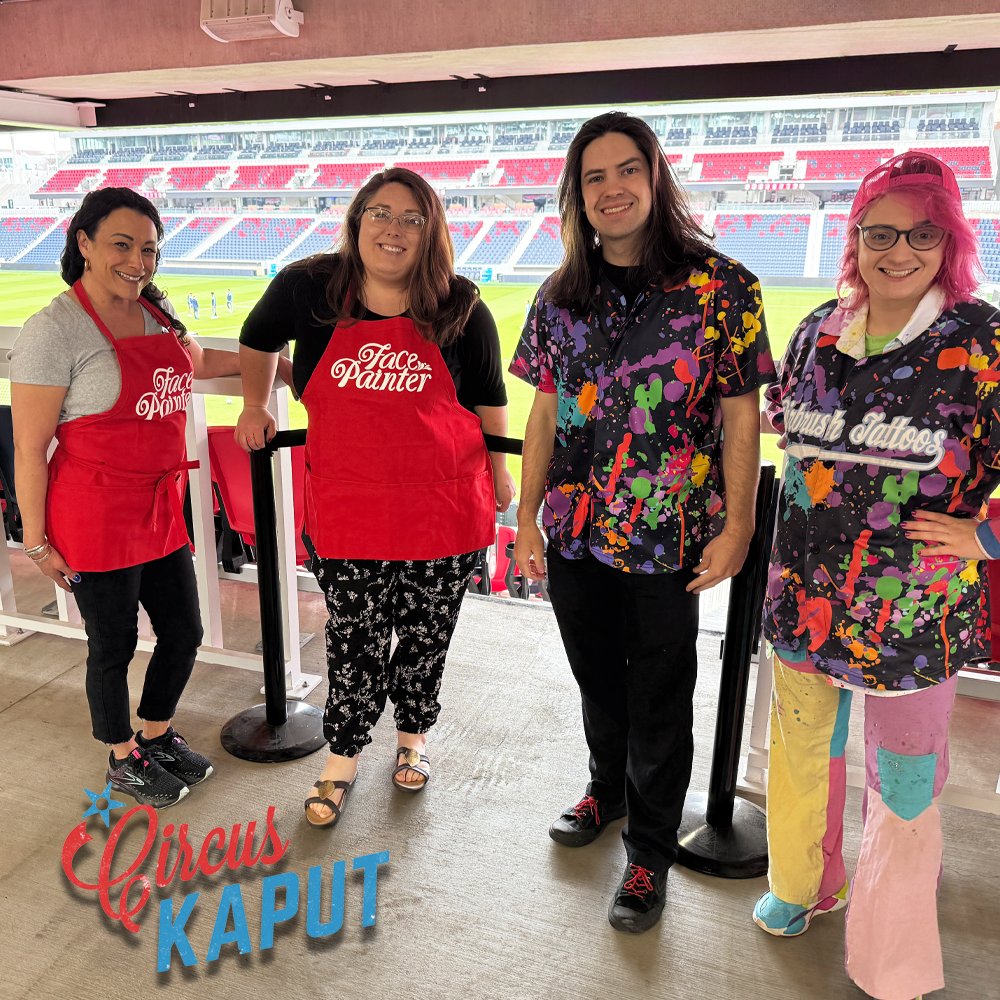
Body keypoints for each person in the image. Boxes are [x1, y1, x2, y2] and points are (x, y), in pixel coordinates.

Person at [510, 112, 775, 933]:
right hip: (575, 530)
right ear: (578, 195)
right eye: (594, 176)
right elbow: (543, 412)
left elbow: (742, 416)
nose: (612, 188)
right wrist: (526, 519)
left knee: (660, 696)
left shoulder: (722, 287)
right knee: (596, 677)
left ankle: (649, 855)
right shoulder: (559, 297)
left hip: (668, 537)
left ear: (655, 178)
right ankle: (607, 791)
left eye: (627, 169)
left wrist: (738, 528)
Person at [755, 151, 1000, 1000]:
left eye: (922, 235)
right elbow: (787, 430)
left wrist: (986, 537)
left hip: (912, 619)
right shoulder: (817, 329)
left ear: (950, 241)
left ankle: (891, 952)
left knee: (902, 779)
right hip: (800, 599)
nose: (898, 251)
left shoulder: (983, 342)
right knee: (799, 753)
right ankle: (803, 884)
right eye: (880, 232)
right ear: (855, 236)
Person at [236, 167, 515, 828]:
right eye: (381, 213)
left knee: (425, 637)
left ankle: (413, 739)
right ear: (357, 219)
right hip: (350, 507)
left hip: (443, 509)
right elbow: (257, 335)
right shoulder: (309, 287)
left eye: (413, 218)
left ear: (431, 232)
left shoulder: (462, 305)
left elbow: (488, 397)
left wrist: (501, 476)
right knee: (353, 640)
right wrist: (254, 403)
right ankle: (343, 756)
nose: (395, 229)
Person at [9, 187, 241, 808]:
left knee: (184, 632)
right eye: (122, 244)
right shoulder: (53, 331)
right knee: (112, 646)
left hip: (159, 510)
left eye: (149, 249)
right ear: (84, 243)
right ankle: (121, 757)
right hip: (94, 515)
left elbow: (199, 362)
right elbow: (29, 448)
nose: (138, 262)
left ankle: (156, 734)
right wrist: (37, 542)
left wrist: (277, 367)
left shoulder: (157, 313)